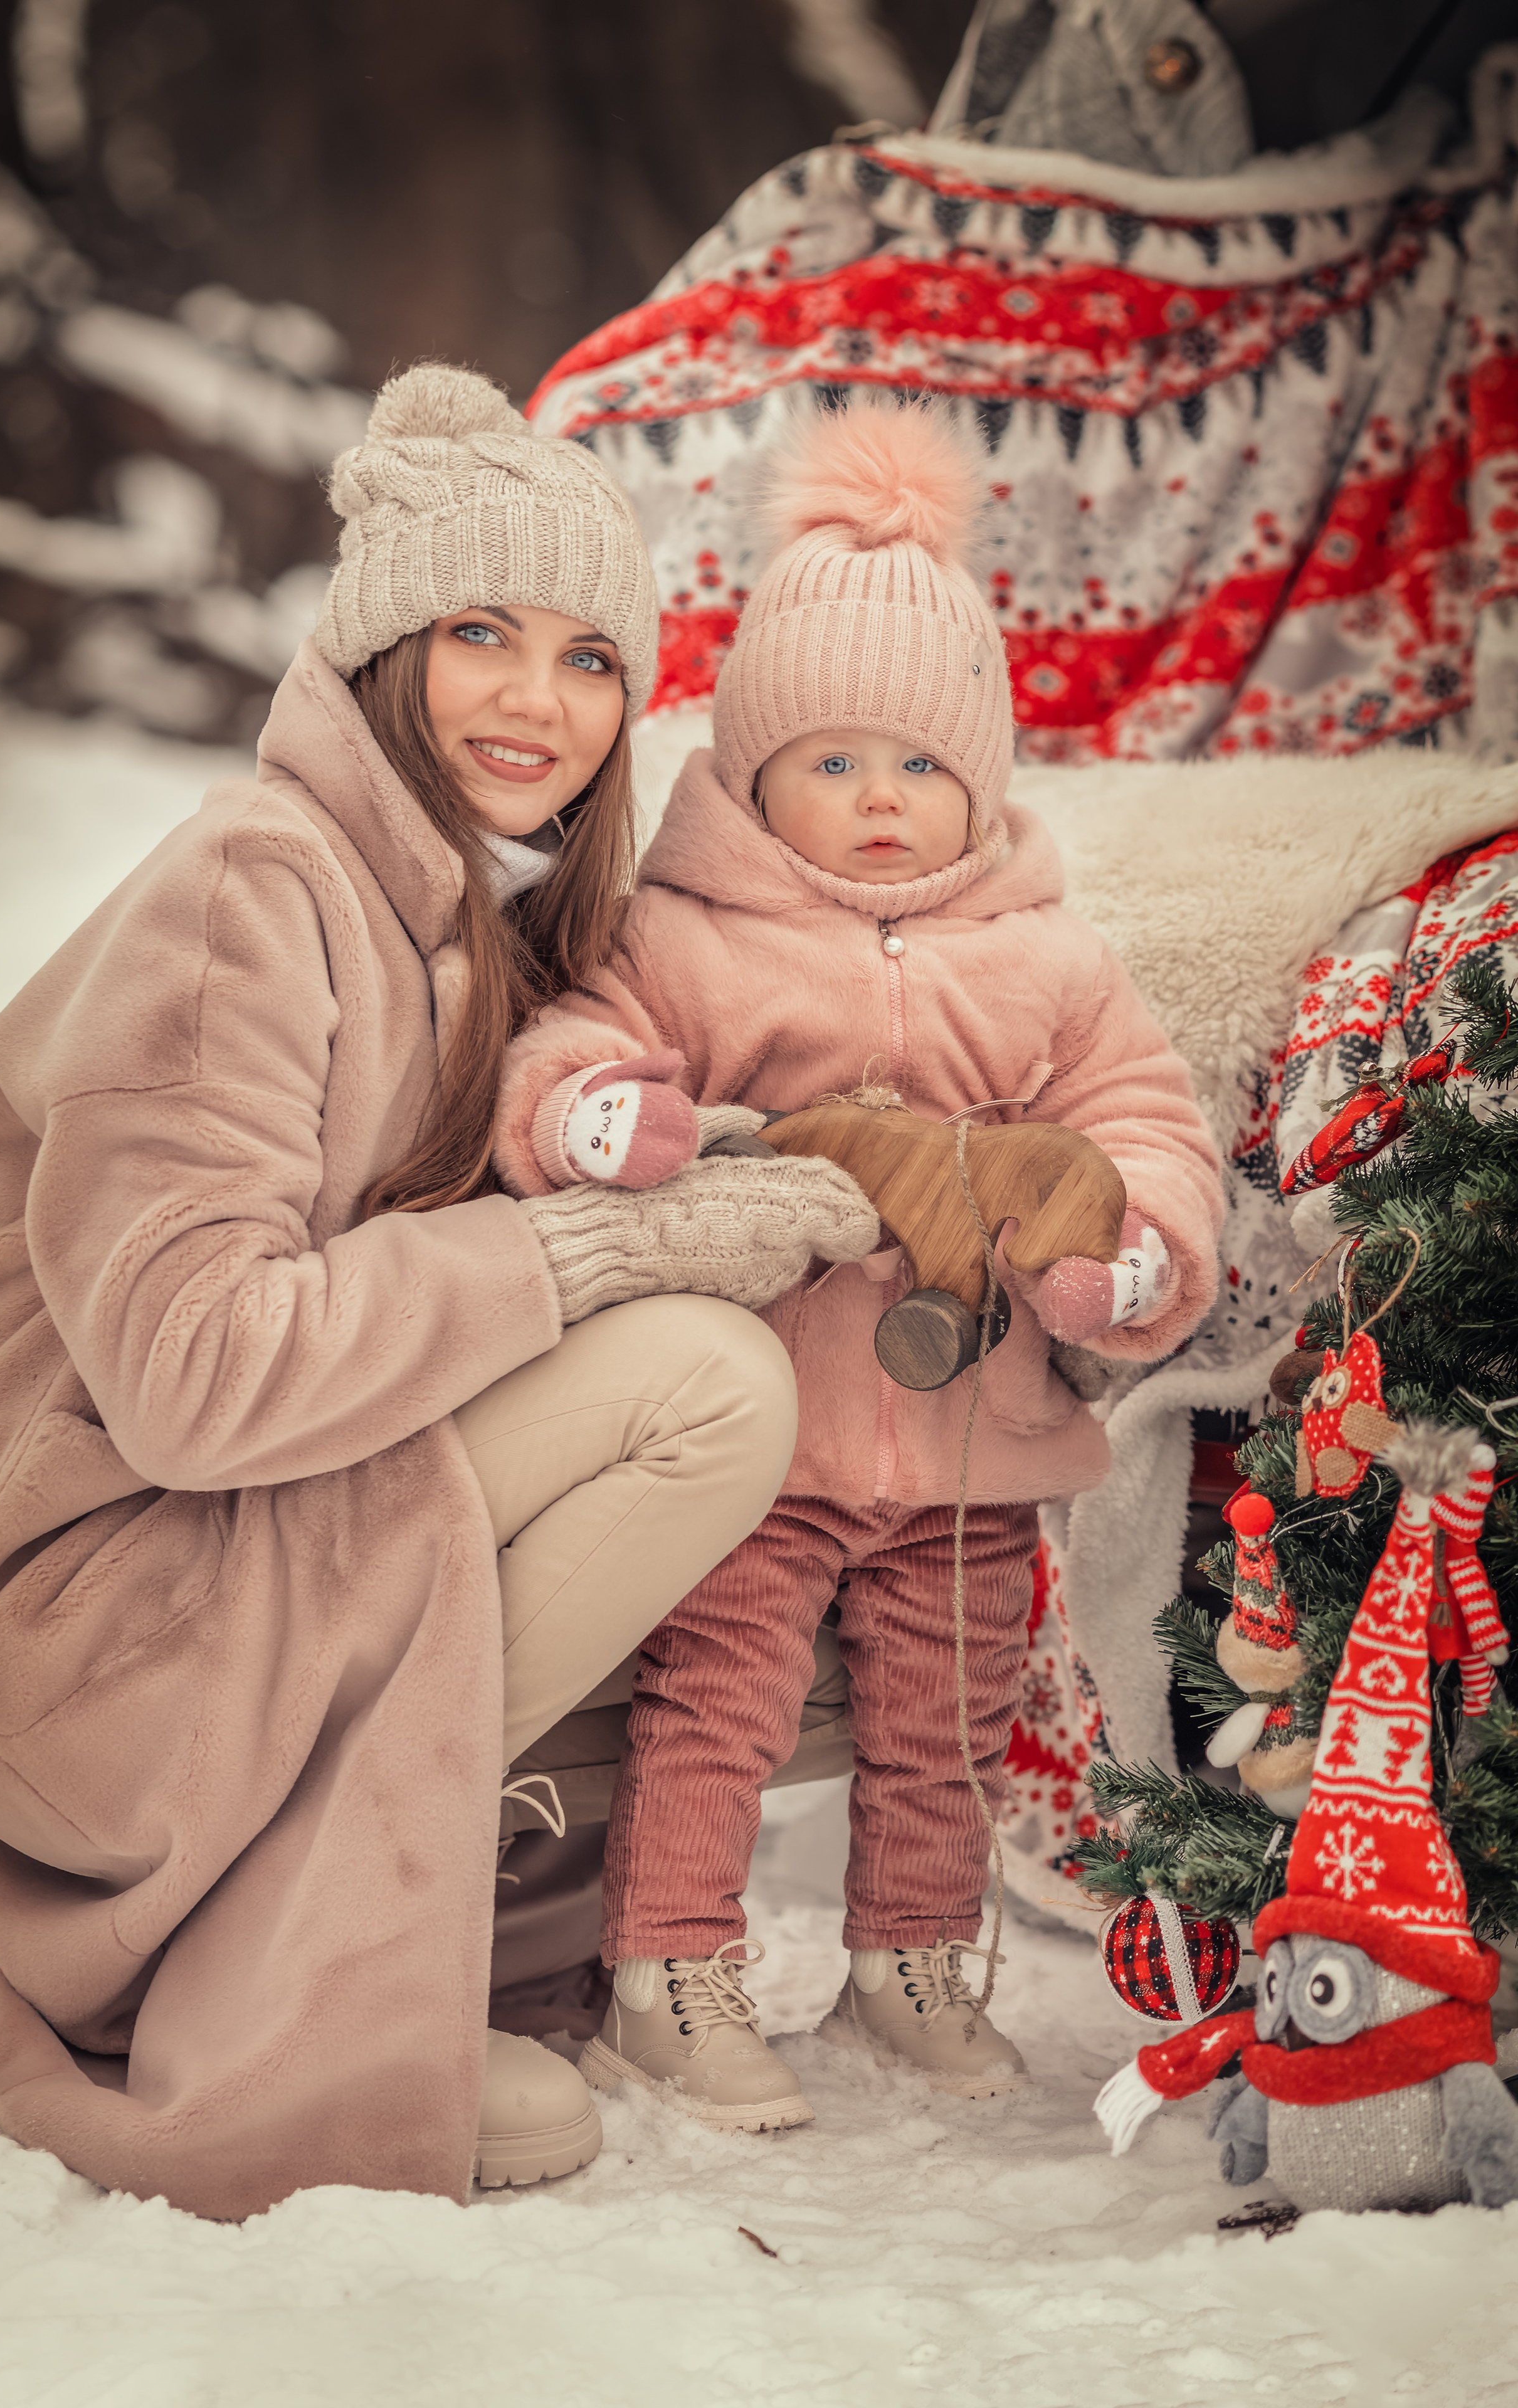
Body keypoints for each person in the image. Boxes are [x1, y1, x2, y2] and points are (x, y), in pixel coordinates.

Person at [0, 364, 880, 2219]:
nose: (541, 700)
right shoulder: (248, 891)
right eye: (483, 636)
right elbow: (194, 1376)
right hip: (89, 1586)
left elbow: (448, 1230)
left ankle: (396, 1897)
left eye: (594, 657)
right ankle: (243, 1939)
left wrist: (721, 1166)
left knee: (722, 1360)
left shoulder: (460, 913)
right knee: (695, 1380)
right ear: (379, 653)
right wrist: (598, 1248)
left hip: (235, 1530)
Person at [495, 398, 1225, 2130]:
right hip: (757, 1438)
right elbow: (567, 1039)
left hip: (971, 1436)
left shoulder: (1047, 955)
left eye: (918, 767)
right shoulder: (685, 932)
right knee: (715, 1704)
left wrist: (1130, 1260)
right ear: (753, 773)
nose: (880, 802)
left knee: (946, 1720)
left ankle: (915, 1960)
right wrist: (592, 1116)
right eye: (832, 764)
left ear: (980, 774)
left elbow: (1146, 1125)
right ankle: (672, 1972)